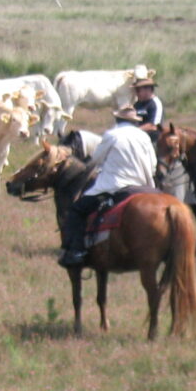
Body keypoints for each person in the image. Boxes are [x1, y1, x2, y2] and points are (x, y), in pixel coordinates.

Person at [58, 105, 158, 267]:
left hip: (114, 186)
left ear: (117, 119)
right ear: (135, 122)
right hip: (143, 186)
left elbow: (96, 159)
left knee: (77, 211)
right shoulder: (144, 137)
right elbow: (153, 165)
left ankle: (77, 251)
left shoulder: (111, 135)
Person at [132, 77, 164, 144]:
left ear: (148, 89)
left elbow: (153, 125)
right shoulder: (137, 104)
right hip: (138, 137)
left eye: (138, 90)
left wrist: (134, 131)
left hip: (152, 139)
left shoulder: (155, 103)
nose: (136, 93)